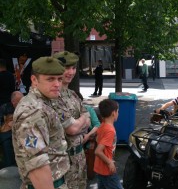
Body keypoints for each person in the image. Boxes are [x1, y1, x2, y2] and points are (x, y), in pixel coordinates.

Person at [12, 57, 70, 189]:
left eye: (59, 79)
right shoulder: (31, 112)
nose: (57, 84)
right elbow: (38, 165)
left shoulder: (45, 101)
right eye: (50, 79)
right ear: (34, 80)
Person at [52, 51, 91, 189]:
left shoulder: (73, 94)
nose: (71, 72)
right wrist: (81, 121)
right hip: (64, 163)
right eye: (66, 68)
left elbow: (89, 119)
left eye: (73, 68)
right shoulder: (53, 97)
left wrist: (79, 121)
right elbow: (72, 129)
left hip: (79, 158)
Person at [94, 99, 123, 189]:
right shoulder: (110, 130)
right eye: (118, 111)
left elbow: (97, 139)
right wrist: (109, 162)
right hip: (107, 169)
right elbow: (98, 151)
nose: (118, 113)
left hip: (100, 167)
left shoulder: (102, 125)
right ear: (113, 113)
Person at [0, 91, 23, 168]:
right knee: (6, 143)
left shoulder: (25, 107)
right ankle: (9, 166)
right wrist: (6, 124)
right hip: (7, 134)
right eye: (19, 101)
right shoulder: (4, 108)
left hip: (21, 133)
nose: (21, 103)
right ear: (13, 101)